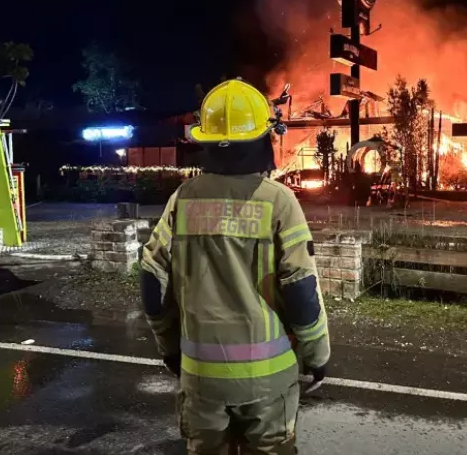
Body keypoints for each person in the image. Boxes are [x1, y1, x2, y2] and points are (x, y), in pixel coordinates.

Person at [139, 78, 330, 454]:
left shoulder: (183, 199)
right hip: (268, 387)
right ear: (264, 139)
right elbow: (300, 289)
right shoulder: (278, 201)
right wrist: (317, 355)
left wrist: (170, 349)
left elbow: (152, 281)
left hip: (201, 383)